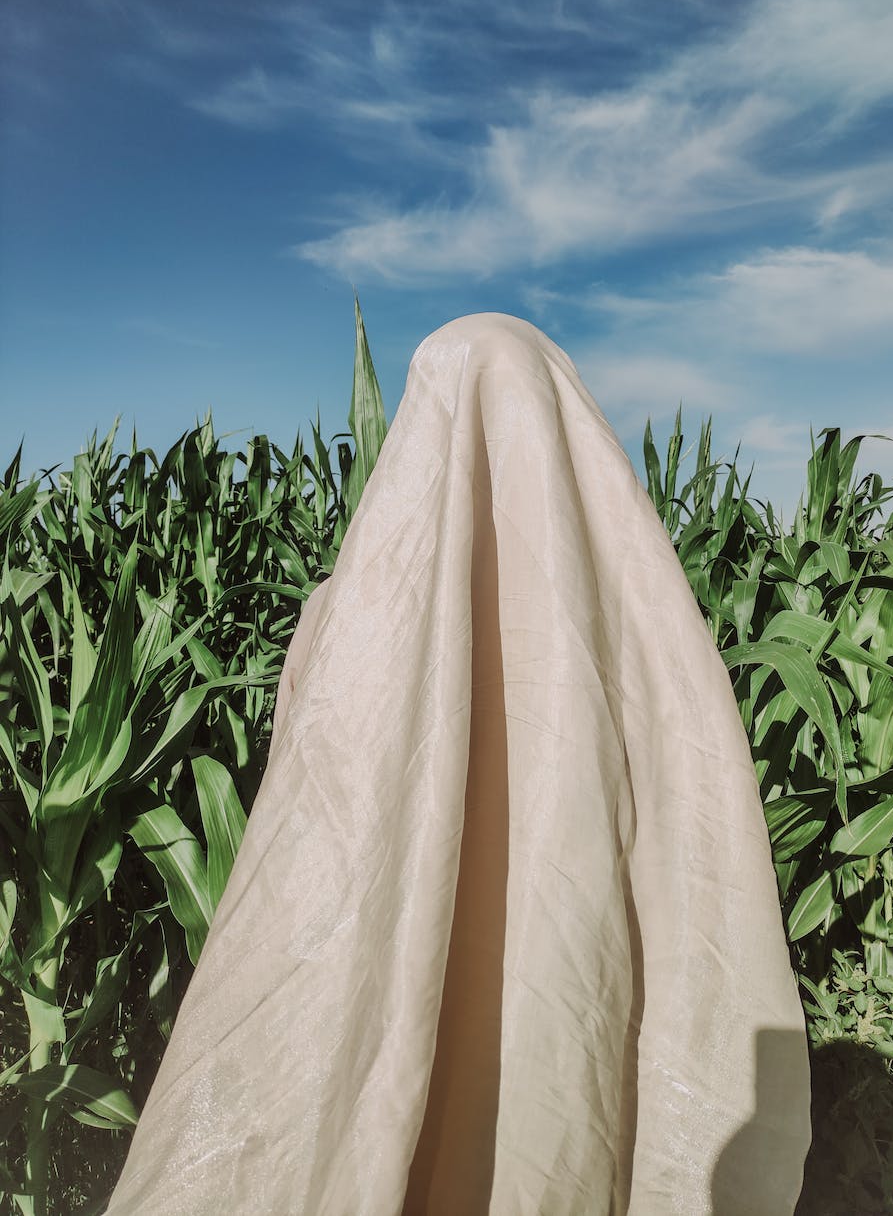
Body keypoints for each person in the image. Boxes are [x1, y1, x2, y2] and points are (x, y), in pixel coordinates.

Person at [105, 313, 811, 1215]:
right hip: (565, 989)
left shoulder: (356, 602)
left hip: (373, 1011)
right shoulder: (647, 622)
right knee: (545, 1127)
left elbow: (305, 823)